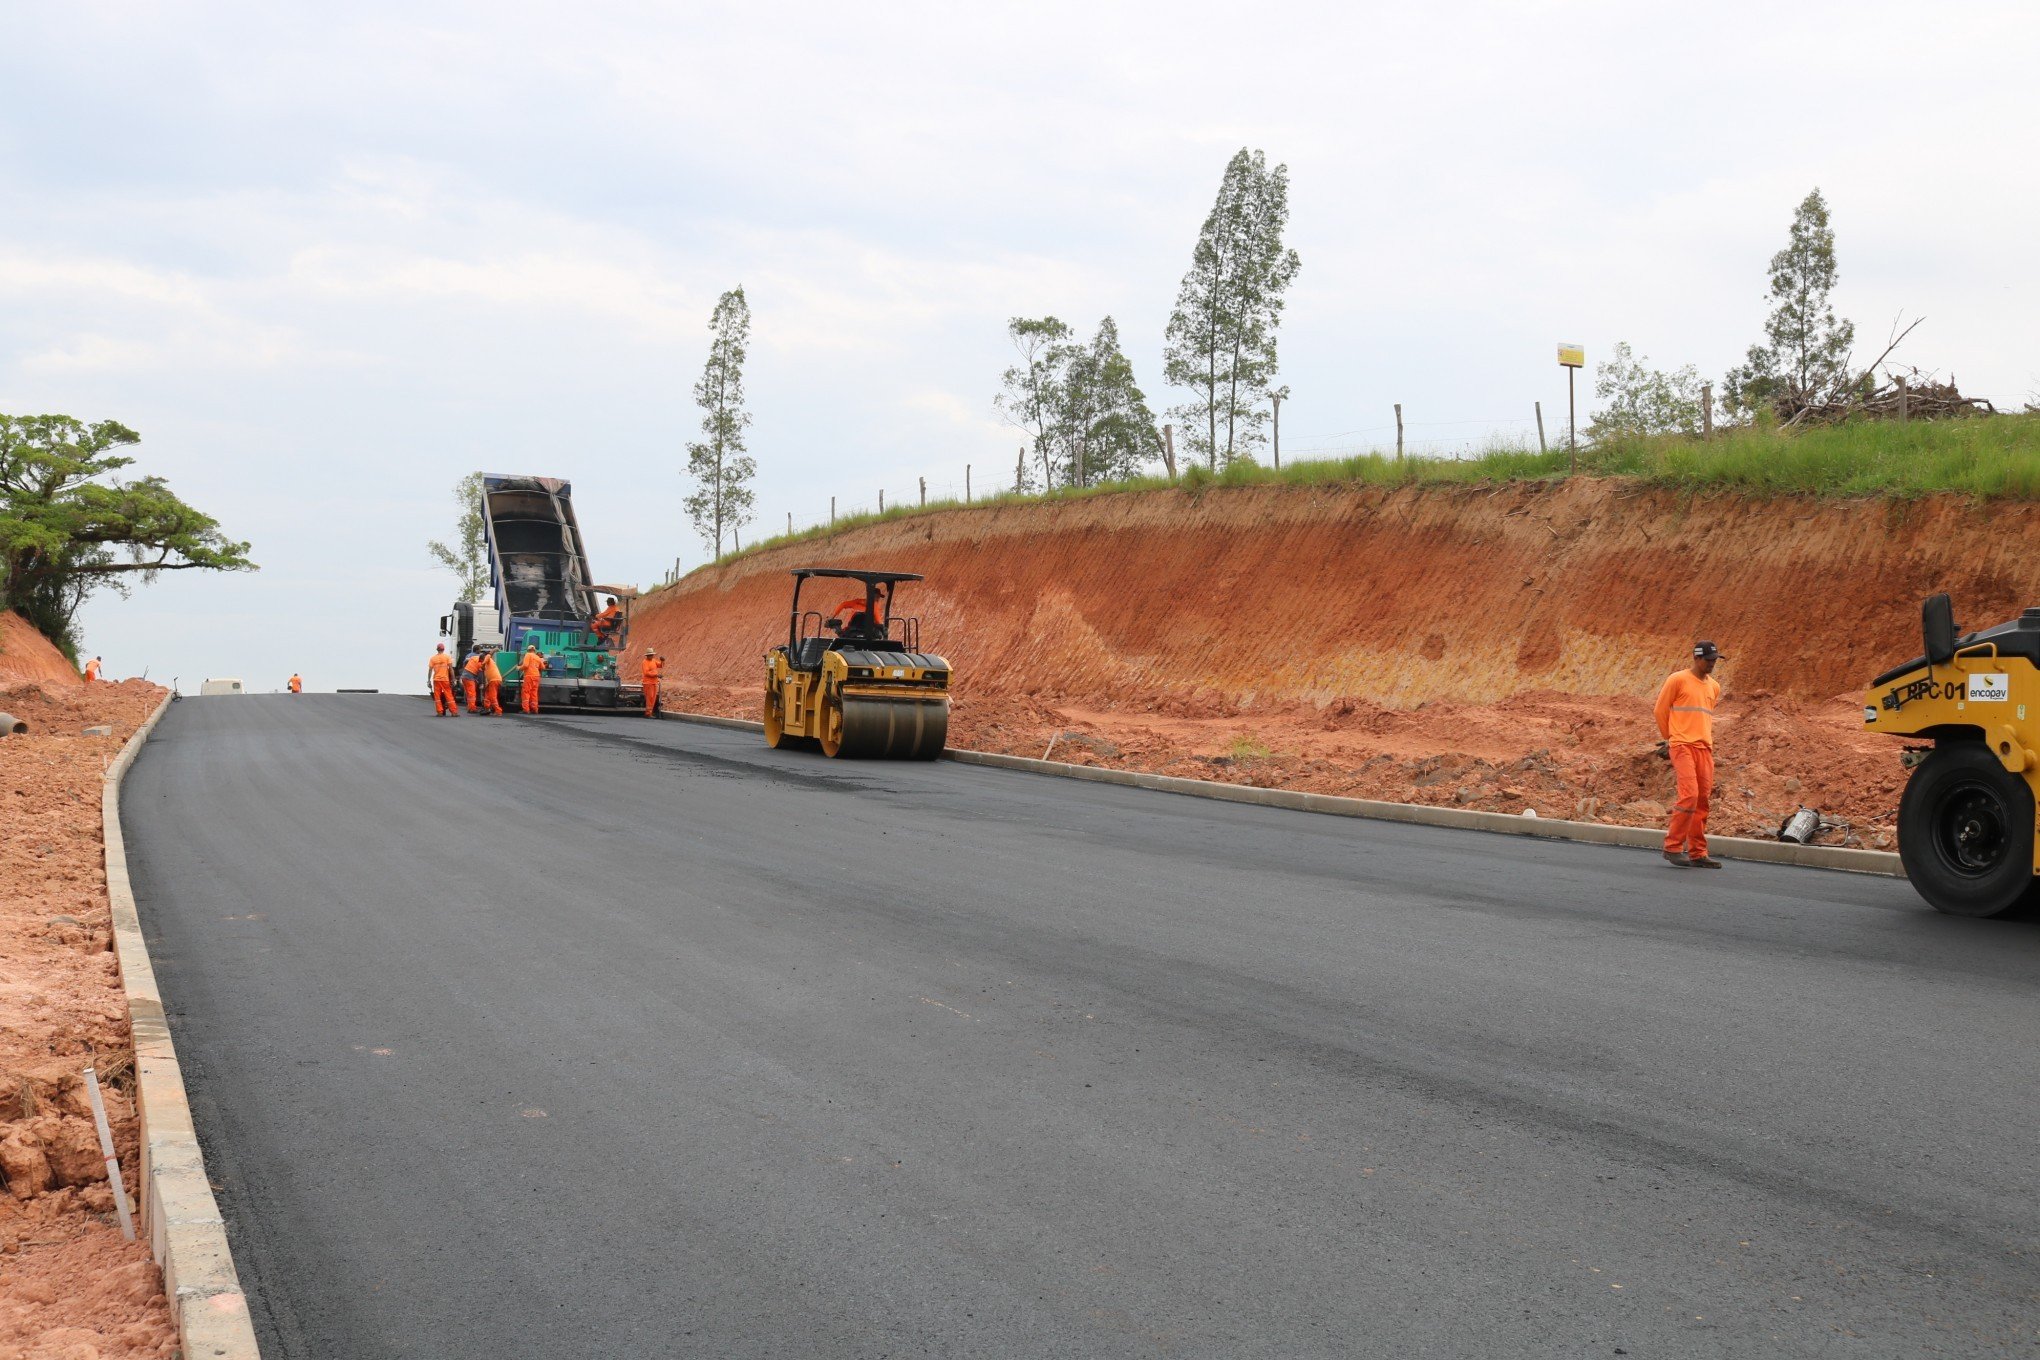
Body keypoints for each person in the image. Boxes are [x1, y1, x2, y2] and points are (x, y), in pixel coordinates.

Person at [1655, 640, 1726, 868]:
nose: (1712, 664)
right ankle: (1672, 847)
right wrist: (1670, 738)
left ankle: (1698, 852)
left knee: (1703, 799)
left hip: (1704, 748)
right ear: (1696, 658)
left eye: (1715, 660)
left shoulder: (1714, 686)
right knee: (1690, 795)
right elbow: (1660, 710)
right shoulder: (1677, 680)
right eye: (1709, 660)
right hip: (1682, 745)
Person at [515, 643, 548, 714]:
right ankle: (534, 709)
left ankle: (526, 709)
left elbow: (526, 665)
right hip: (536, 676)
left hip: (529, 676)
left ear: (528, 650)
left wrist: (519, 668)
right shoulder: (537, 657)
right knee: (534, 693)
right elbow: (543, 667)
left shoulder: (528, 655)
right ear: (534, 650)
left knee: (526, 692)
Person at [427, 643, 458, 716]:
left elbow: (430, 670)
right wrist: (453, 679)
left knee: (437, 696)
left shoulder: (433, 658)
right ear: (443, 649)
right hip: (445, 679)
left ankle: (440, 712)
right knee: (449, 695)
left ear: (437, 649)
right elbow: (451, 669)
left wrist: (428, 680)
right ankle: (453, 712)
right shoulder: (447, 657)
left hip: (436, 680)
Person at [640, 646, 663, 718]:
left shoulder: (653, 660)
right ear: (647, 655)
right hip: (648, 683)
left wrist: (662, 661)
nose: (651, 656)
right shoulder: (645, 662)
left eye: (652, 655)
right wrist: (656, 674)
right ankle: (648, 713)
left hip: (654, 682)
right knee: (649, 698)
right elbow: (646, 673)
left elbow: (660, 665)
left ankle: (650, 712)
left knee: (653, 698)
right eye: (650, 655)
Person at [481, 647, 505, 716]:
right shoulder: (487, 666)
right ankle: (487, 708)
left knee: (492, 696)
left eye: (481, 661)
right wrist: (486, 684)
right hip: (492, 680)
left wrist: (483, 663)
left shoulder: (488, 660)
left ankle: (498, 711)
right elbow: (486, 676)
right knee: (487, 694)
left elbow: (489, 655)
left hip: (494, 680)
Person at [461, 648, 484, 714]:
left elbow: (465, 661)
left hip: (464, 676)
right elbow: (480, 675)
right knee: (472, 694)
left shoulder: (474, 657)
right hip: (469, 677)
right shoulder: (480, 663)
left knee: (468, 693)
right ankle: (472, 708)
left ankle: (470, 707)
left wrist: (464, 668)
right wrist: (481, 684)